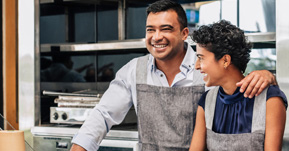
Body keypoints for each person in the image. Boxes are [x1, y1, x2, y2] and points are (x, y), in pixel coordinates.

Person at [70, 1, 277, 151]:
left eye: (166, 29)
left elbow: (233, 84)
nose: (156, 37)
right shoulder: (134, 70)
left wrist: (268, 76)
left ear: (184, 33)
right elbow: (103, 115)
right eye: (151, 30)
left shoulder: (206, 72)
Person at [189, 20, 287, 151]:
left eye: (201, 58)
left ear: (225, 60)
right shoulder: (206, 101)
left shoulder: (270, 99)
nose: (196, 66)